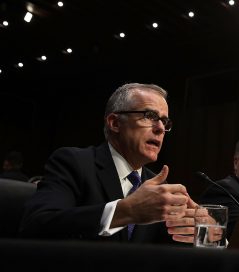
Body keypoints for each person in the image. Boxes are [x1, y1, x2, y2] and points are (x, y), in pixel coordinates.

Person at [20, 83, 198, 243]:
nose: (160, 128)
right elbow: (37, 224)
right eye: (149, 116)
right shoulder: (74, 162)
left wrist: (202, 232)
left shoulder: (157, 186)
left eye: (164, 121)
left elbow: (168, 248)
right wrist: (125, 211)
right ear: (114, 123)